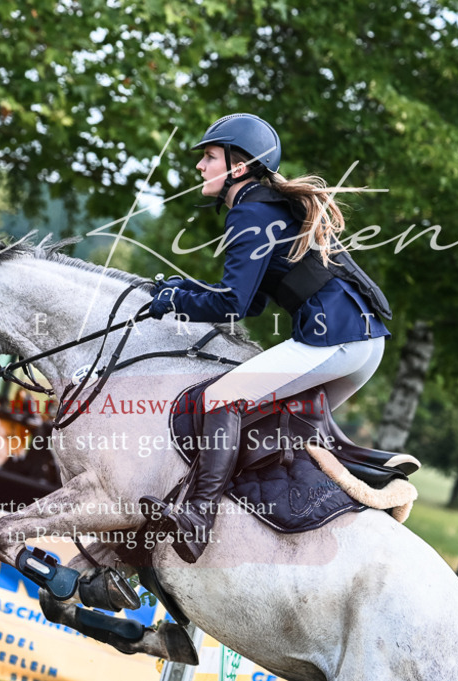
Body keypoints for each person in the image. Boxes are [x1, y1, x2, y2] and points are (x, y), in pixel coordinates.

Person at [139, 113, 393, 563]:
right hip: (364, 342)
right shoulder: (266, 205)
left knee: (220, 399)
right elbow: (249, 302)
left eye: (209, 157)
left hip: (335, 338)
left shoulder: (251, 212)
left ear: (238, 166)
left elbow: (231, 304)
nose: (200, 166)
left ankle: (198, 519)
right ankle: (357, 474)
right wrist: (178, 291)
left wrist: (169, 302)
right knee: (269, 428)